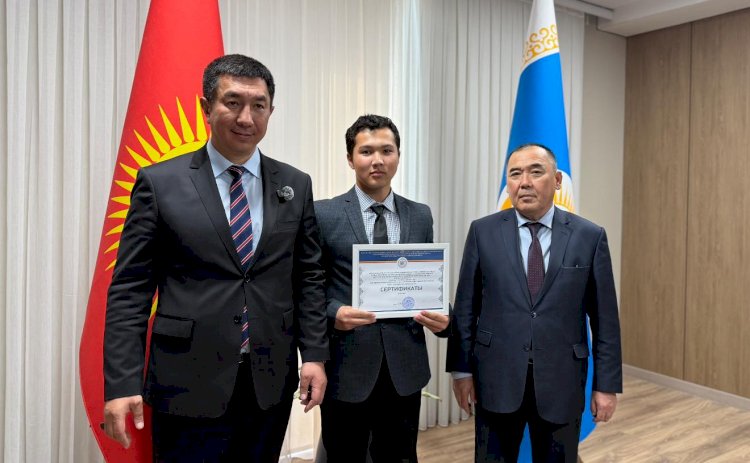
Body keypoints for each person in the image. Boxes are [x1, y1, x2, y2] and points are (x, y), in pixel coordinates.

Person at [102, 54, 328, 462]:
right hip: (186, 381)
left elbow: (308, 277)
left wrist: (313, 355)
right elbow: (130, 290)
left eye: (258, 105)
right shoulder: (160, 183)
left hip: (268, 380)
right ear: (206, 107)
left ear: (271, 112)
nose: (246, 117)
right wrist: (121, 383)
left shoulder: (295, 184)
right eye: (233, 102)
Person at [448, 143, 622, 462]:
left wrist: (606, 385)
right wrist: (461, 372)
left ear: (557, 180)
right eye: (515, 174)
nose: (524, 182)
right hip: (496, 378)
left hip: (562, 381)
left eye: (535, 172)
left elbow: (605, 320)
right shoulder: (483, 232)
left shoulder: (589, 236)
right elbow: (466, 308)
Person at [314, 114, 450, 463]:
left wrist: (443, 315)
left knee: (400, 456)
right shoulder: (323, 214)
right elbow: (308, 285)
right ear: (350, 159)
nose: (377, 160)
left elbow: (425, 279)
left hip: (405, 366)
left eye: (387, 151)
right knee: (343, 456)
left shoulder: (420, 215)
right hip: (347, 365)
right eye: (366, 151)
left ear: (398, 156)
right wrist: (334, 312)